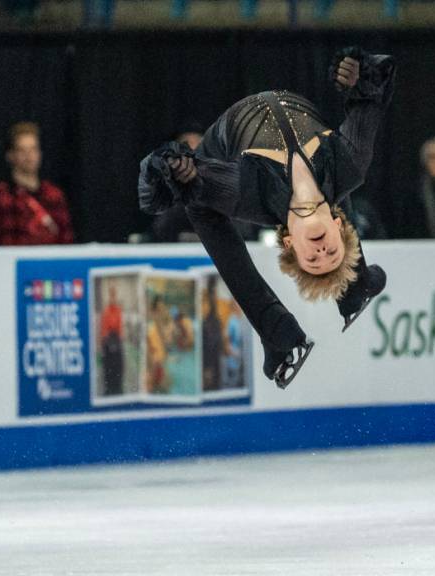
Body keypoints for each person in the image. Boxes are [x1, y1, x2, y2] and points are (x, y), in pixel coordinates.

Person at [138, 47, 394, 388]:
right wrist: (356, 74)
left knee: (197, 205)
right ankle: (354, 284)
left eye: (313, 260)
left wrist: (178, 170)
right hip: (308, 130)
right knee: (335, 178)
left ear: (288, 241)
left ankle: (276, 330)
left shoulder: (247, 193)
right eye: (331, 253)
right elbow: (372, 89)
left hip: (225, 142)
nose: (321, 251)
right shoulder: (352, 164)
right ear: (338, 227)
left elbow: (159, 185)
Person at [0, 122, 74, 246]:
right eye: (22, 150)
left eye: (33, 149)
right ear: (10, 155)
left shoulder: (54, 195)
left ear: (40, 153)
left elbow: (66, 240)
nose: (28, 156)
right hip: (12, 263)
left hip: (48, 262)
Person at [98, 283, 124, 396]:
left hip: (116, 338)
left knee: (118, 363)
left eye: (114, 295)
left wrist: (119, 339)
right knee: (108, 364)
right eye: (111, 295)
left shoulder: (118, 311)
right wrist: (104, 340)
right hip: (108, 339)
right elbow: (103, 328)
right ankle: (109, 385)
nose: (113, 298)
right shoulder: (106, 312)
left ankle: (117, 384)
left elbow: (120, 328)